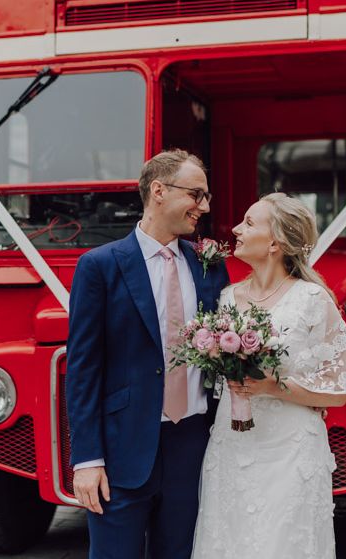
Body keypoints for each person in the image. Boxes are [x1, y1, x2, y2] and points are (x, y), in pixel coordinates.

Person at [66, 149, 229, 559]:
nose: (204, 207)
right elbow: (84, 369)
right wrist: (86, 458)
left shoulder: (208, 265)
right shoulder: (99, 266)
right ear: (159, 191)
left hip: (192, 443)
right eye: (196, 194)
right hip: (122, 450)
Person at [192, 193, 346, 559]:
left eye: (249, 223)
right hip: (233, 444)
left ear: (275, 243)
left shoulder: (312, 299)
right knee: (228, 538)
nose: (235, 229)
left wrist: (272, 387)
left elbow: (339, 391)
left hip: (290, 450)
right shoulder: (228, 298)